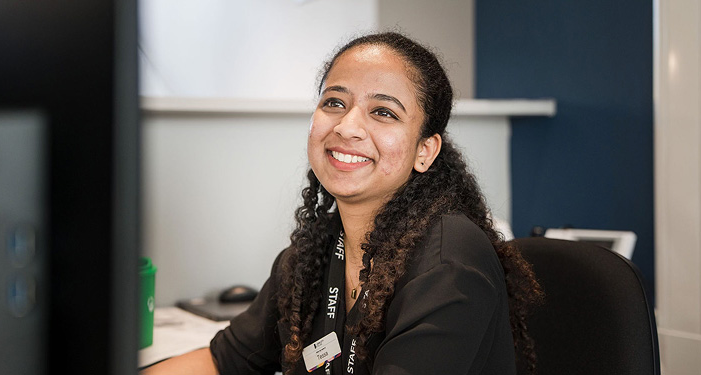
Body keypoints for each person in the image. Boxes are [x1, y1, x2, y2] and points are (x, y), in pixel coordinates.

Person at [144, 32, 543, 375]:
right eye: (334, 102)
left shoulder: (449, 261)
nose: (347, 126)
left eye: (383, 112)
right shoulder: (312, 256)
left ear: (425, 150)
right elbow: (222, 361)